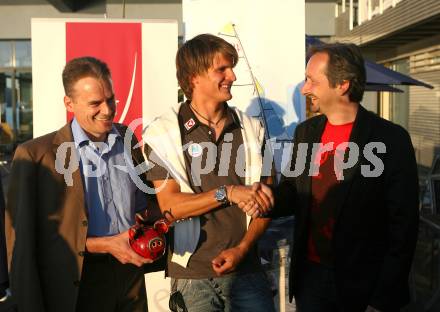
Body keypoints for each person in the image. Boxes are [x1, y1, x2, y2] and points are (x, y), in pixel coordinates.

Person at [272, 43, 419, 312]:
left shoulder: (390, 139)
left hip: (365, 287)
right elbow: (292, 192)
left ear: (342, 85)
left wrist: (382, 298)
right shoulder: (306, 132)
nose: (305, 89)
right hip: (311, 282)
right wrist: (265, 198)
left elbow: (404, 227)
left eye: (312, 81)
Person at [5, 57, 153, 312]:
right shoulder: (35, 155)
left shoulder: (128, 139)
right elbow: (25, 241)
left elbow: (143, 205)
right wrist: (104, 244)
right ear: (69, 103)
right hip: (75, 283)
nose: (107, 110)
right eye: (95, 103)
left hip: (131, 280)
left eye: (110, 99)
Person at [144, 33, 275, 312]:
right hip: (193, 277)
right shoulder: (163, 133)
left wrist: (241, 250)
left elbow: (266, 202)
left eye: (232, 67)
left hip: (248, 270)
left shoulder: (252, 128)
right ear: (194, 78)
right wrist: (228, 193)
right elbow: (171, 207)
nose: (232, 75)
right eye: (222, 69)